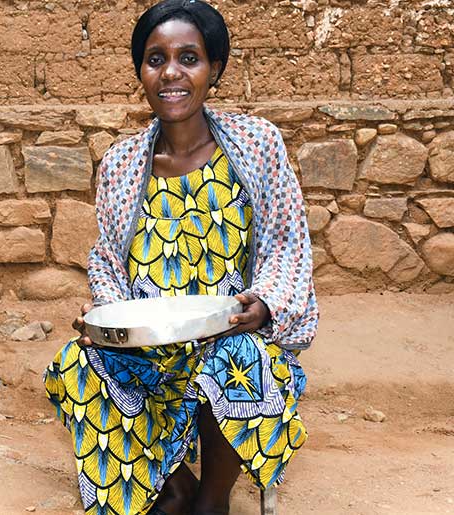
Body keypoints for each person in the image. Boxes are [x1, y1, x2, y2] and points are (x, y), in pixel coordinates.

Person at [43, 1, 319, 514]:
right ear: (140, 72)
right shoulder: (123, 162)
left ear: (214, 69)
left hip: (230, 331)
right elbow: (106, 258)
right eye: (155, 59)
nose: (170, 72)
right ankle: (172, 487)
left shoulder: (256, 145)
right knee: (79, 361)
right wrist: (107, 316)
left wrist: (261, 305)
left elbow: (286, 242)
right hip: (151, 343)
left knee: (236, 358)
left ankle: (212, 500)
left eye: (188, 58)